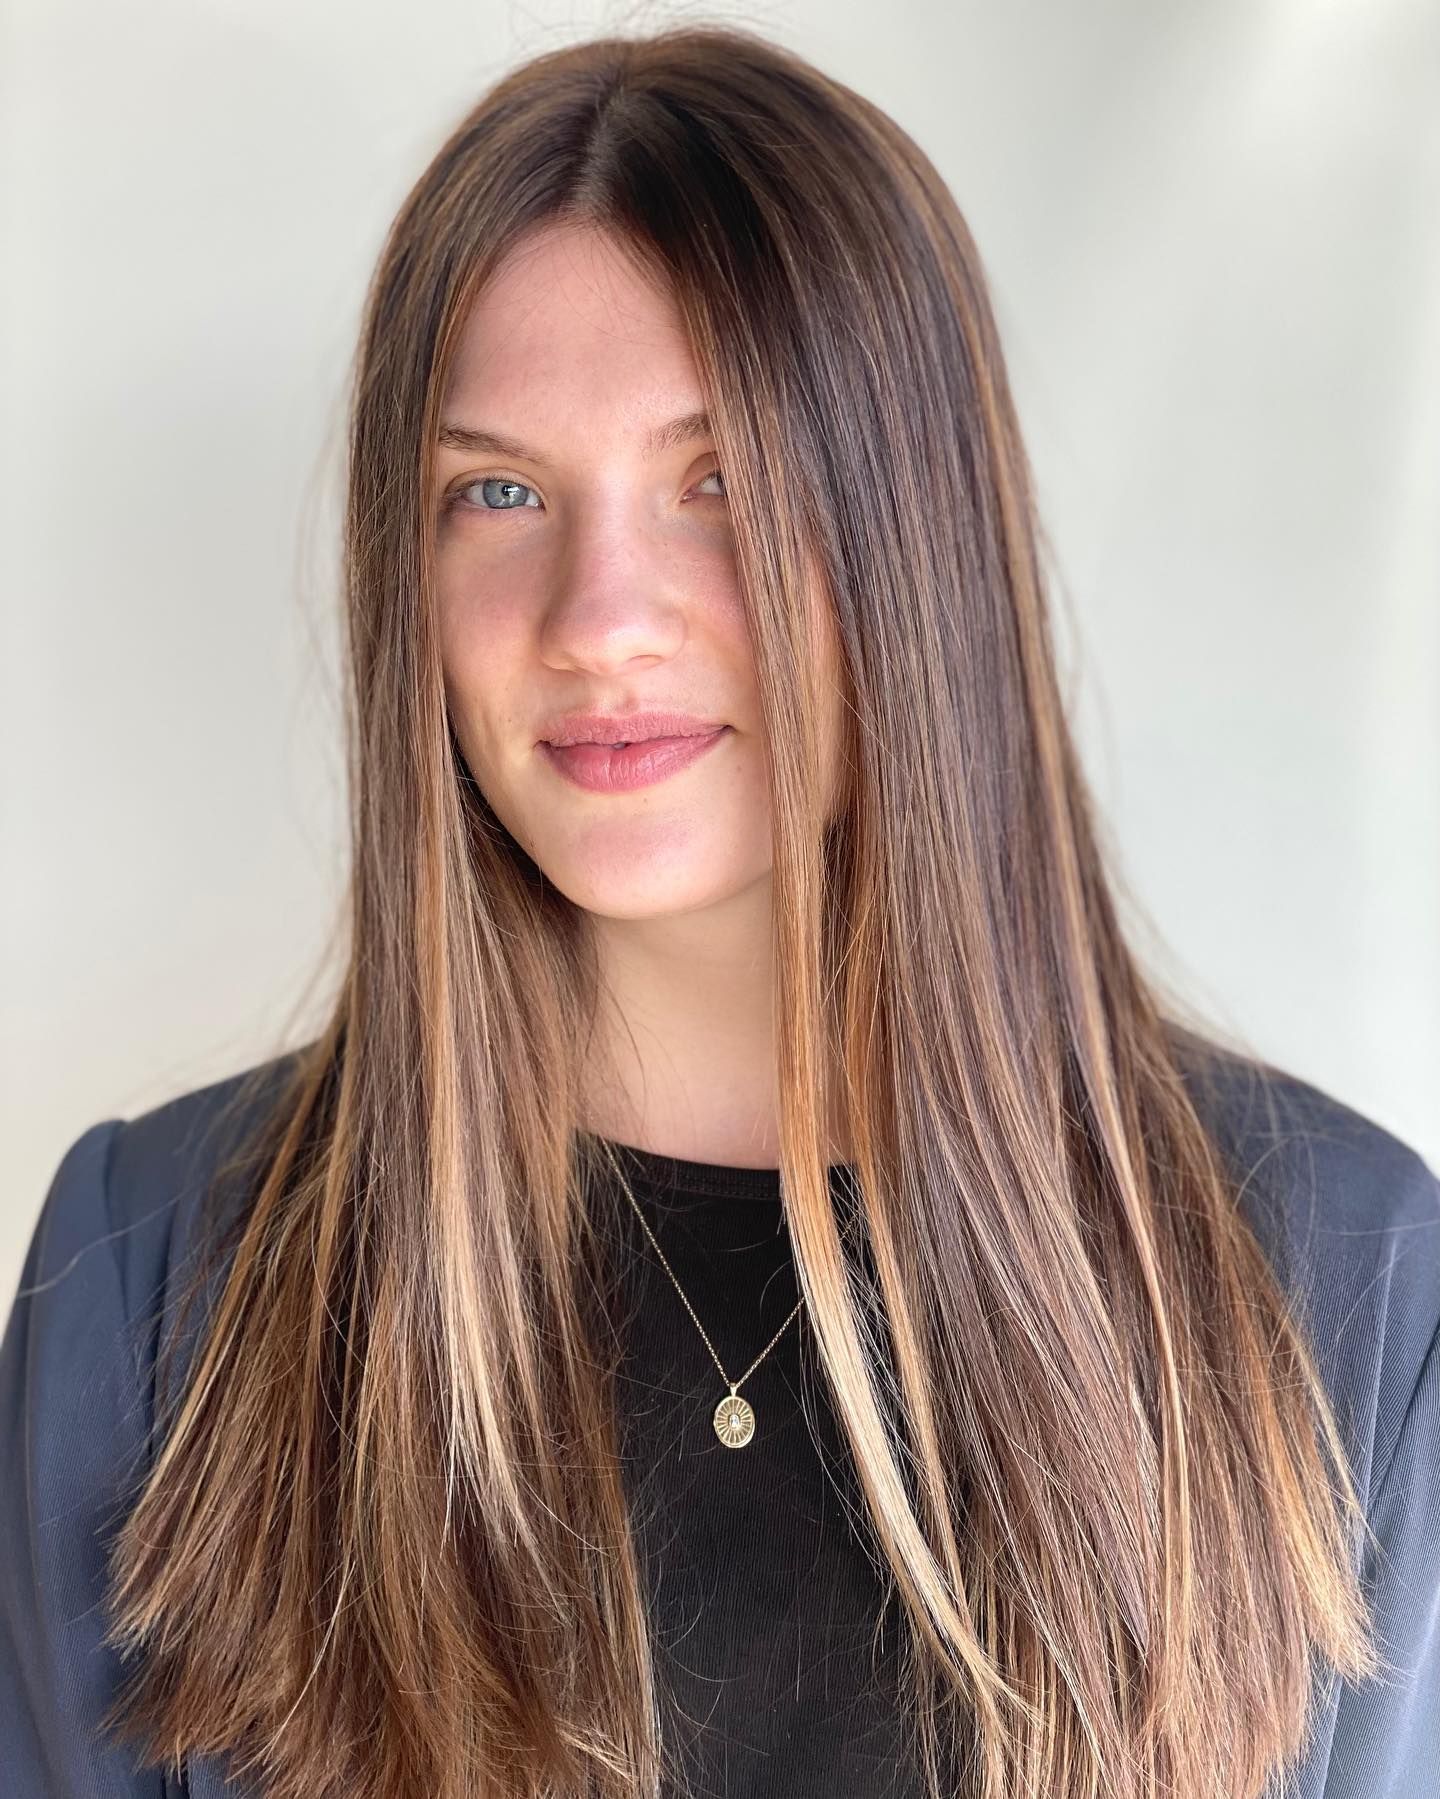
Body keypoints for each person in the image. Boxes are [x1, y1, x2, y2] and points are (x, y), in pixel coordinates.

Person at [3, 23, 1437, 1799]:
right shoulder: (147, 1294)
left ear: (915, 542)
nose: (598, 616)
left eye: (724, 481)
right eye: (498, 493)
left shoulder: (1344, 1298)